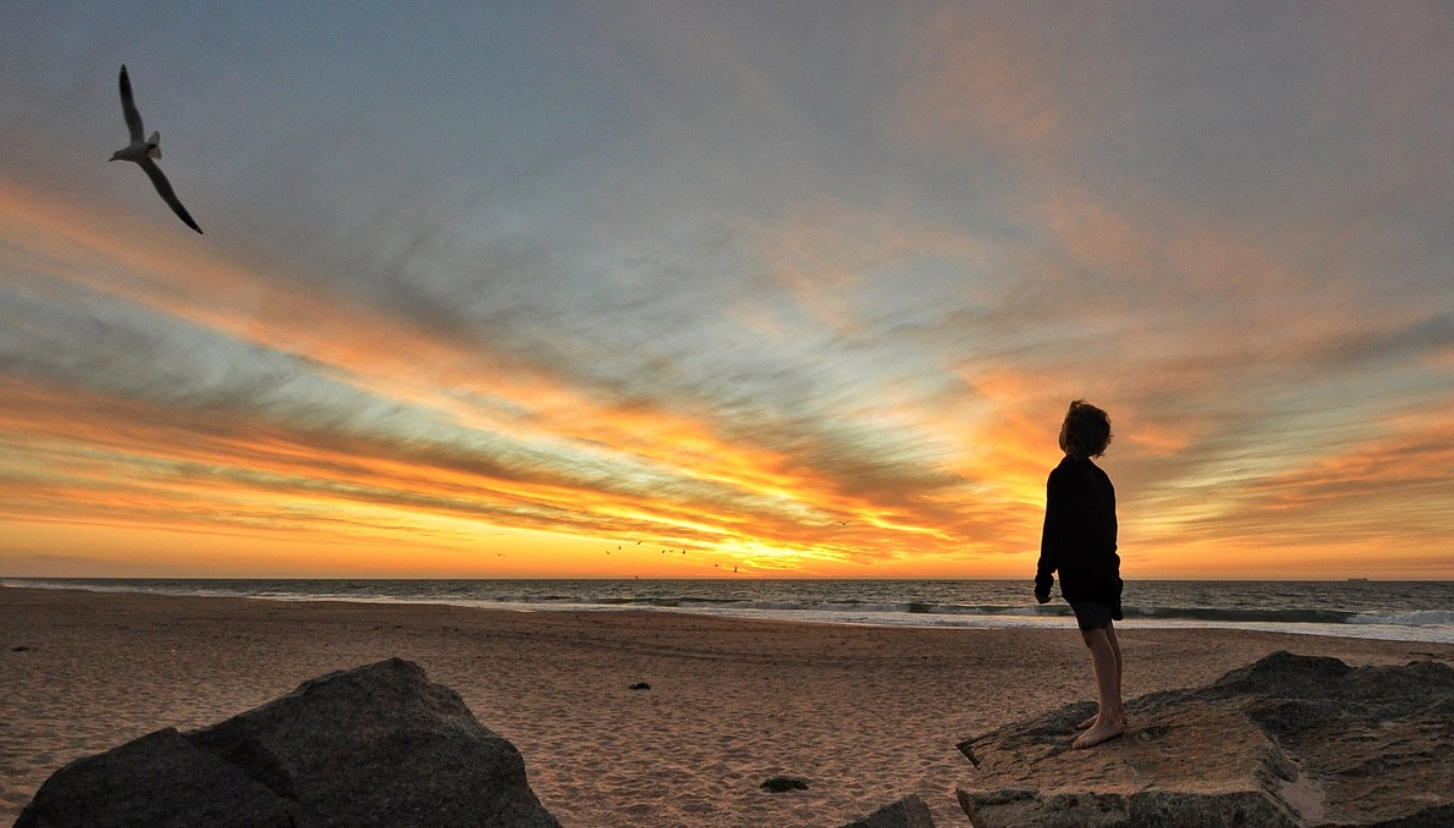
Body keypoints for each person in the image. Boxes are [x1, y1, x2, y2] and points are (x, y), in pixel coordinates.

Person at [1034, 399, 1124, 748]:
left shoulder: (1062, 475)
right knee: (1105, 631)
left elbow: (1053, 527)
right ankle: (1112, 708)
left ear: (1068, 435)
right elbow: (1111, 528)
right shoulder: (1102, 479)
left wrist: (1045, 575)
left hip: (1083, 568)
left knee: (1093, 636)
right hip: (1105, 566)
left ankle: (1110, 718)